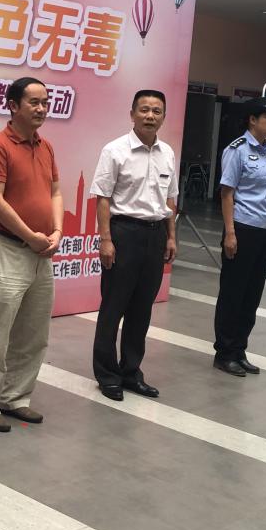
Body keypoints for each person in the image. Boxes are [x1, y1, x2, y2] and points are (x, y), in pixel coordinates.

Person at [0, 77, 63, 432]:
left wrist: (56, 232)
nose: (41, 109)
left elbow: (56, 192)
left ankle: (16, 398)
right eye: (34, 102)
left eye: (45, 102)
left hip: (42, 252)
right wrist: (30, 236)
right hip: (9, 249)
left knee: (33, 333)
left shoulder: (46, 146)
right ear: (13, 105)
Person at [90, 90, 177, 401]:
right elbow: (103, 198)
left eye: (156, 111)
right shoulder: (115, 150)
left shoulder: (168, 153)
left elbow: (170, 199)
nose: (150, 116)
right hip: (123, 233)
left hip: (156, 235)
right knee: (113, 307)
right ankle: (107, 374)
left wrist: (171, 236)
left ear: (163, 117)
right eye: (144, 110)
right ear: (132, 114)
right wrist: (106, 240)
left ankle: (131, 372)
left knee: (142, 309)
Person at [213, 97, 266, 378]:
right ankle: (224, 353)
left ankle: (239, 350)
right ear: (252, 120)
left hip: (265, 230)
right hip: (242, 229)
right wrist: (230, 233)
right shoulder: (237, 150)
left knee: (252, 294)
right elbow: (227, 194)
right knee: (233, 293)